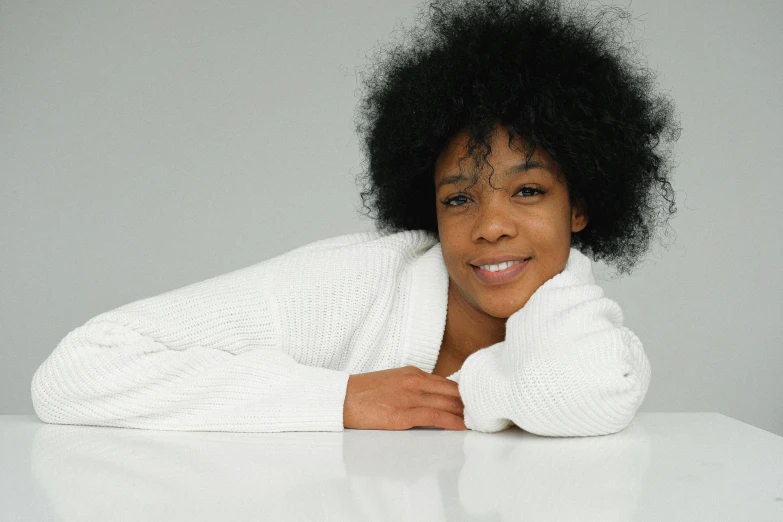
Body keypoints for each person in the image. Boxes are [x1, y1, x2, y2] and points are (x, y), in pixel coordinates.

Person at [31, 0, 680, 435]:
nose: (489, 226)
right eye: (457, 198)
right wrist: (337, 400)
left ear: (583, 205)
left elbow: (589, 391)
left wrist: (496, 362)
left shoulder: (573, 312)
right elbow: (76, 370)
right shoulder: (356, 283)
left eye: (529, 192)